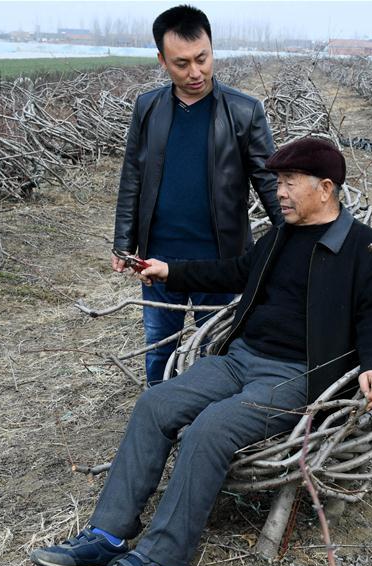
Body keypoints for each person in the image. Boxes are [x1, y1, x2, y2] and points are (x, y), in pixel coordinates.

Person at [31, 138, 372, 566]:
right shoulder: (282, 235)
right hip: (239, 359)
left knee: (210, 430)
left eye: (289, 183)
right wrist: (171, 271)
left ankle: (157, 560)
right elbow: (234, 271)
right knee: (155, 403)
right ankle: (107, 534)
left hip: (296, 376)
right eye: (278, 182)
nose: (279, 192)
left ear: (326, 188)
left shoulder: (363, 248)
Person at [111, 5, 282, 386]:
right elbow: (133, 177)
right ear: (162, 61)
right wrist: (123, 242)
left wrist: (292, 237)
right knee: (159, 347)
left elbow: (269, 183)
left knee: (217, 347)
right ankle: (160, 415)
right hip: (158, 258)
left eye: (202, 59)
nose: (195, 73)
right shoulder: (148, 107)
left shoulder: (244, 111)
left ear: (211, 48)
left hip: (221, 261)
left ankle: (209, 423)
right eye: (181, 63)